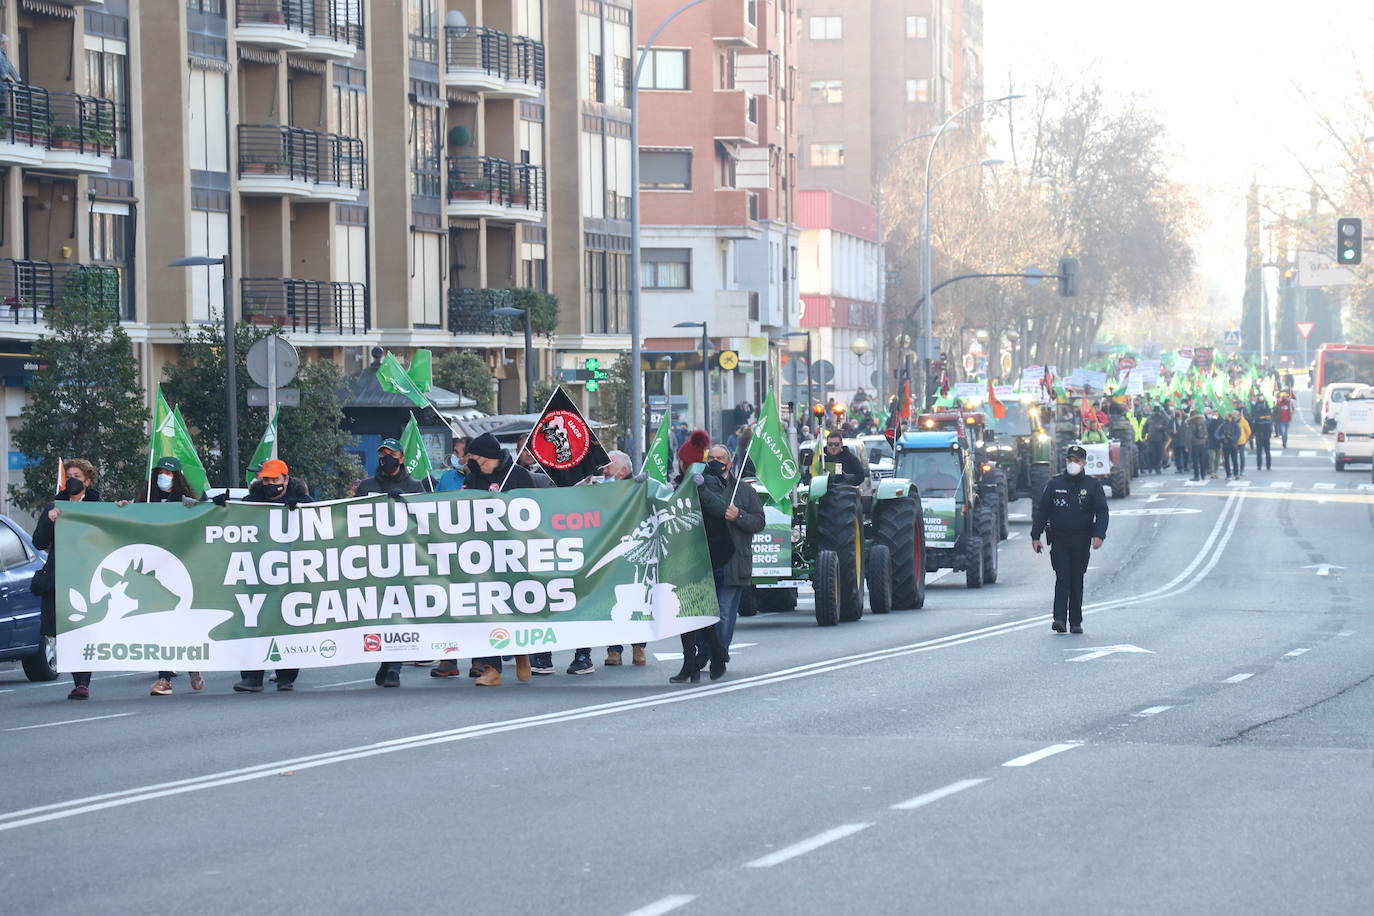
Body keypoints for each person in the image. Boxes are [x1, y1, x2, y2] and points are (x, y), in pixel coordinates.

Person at [673, 444, 764, 683]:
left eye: (720, 458)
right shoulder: (696, 486)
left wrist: (739, 516)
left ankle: (717, 656)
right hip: (705, 560)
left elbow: (759, 522)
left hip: (733, 561)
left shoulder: (744, 491)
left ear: (730, 462)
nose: (715, 461)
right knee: (702, 612)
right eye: (711, 457)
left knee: (723, 612)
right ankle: (708, 654)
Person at [462, 432, 536, 686]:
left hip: (515, 552)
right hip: (483, 554)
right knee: (487, 608)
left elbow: (534, 510)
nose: (475, 463)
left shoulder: (518, 475)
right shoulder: (473, 478)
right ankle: (492, 668)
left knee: (515, 606)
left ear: (491, 456)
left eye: (478, 458)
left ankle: (520, 653)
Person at [234, 459, 311, 693]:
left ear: (286, 480)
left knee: (287, 622)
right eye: (265, 479)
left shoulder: (303, 501)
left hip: (291, 574)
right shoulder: (251, 503)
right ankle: (252, 677)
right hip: (256, 573)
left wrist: (302, 506)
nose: (269, 484)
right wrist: (219, 508)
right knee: (254, 624)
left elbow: (324, 515)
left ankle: (286, 676)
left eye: (274, 480)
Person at [32, 459, 102, 700]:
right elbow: (39, 543)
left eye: (77, 475)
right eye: (69, 475)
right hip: (59, 576)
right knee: (59, 629)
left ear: (87, 481)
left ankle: (82, 682)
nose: (72, 479)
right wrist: (50, 520)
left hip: (88, 575)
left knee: (82, 627)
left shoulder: (98, 505)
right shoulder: (56, 505)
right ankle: (76, 674)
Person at [137, 458, 205, 697]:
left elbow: (201, 521)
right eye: (161, 472)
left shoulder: (185, 504)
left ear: (177, 478)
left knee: (182, 623)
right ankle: (164, 679)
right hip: (154, 572)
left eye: (169, 473)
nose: (164, 477)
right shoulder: (144, 502)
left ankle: (193, 668)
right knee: (160, 625)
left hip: (180, 570)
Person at [1030, 444, 1109, 634]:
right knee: (1062, 577)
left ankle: (1075, 621)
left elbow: (1102, 511)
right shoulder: (1055, 484)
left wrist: (1099, 535)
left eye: (1076, 461)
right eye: (1070, 460)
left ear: (1083, 463)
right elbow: (1043, 510)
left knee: (1077, 578)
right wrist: (1035, 535)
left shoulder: (1092, 485)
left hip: (1082, 538)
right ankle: (1059, 619)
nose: (1072, 464)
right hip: (1060, 538)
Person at [1215, 411, 1241, 481]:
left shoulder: (1235, 425)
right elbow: (1217, 434)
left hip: (1233, 445)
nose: (1227, 418)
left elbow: (1238, 433)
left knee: (1234, 460)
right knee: (1226, 461)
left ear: (1231, 417)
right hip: (1226, 445)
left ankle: (1236, 474)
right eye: (1226, 417)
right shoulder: (1223, 424)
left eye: (1228, 417)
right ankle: (1228, 474)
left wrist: (1232, 438)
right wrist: (1221, 438)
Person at [1249, 396, 1273, 469]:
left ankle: (1259, 466)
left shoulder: (1257, 413)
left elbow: (1254, 424)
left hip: (1259, 435)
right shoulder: (1268, 413)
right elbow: (1270, 425)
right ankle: (1268, 466)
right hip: (1266, 435)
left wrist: (1252, 434)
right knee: (1267, 451)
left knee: (1259, 452)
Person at [1187, 409, 1210, 482]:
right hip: (1202, 443)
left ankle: (1196, 476)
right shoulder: (1202, 422)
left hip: (1194, 444)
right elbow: (1206, 433)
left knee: (1195, 461)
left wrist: (1187, 445)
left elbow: (1189, 435)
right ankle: (1203, 475)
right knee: (1202, 460)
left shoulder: (1191, 423)